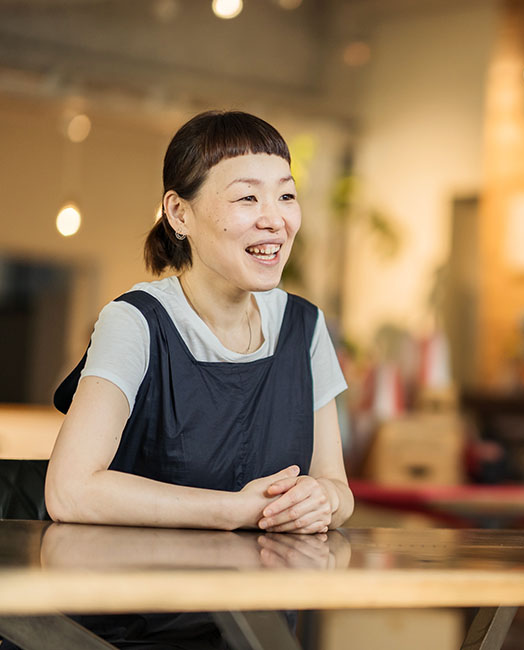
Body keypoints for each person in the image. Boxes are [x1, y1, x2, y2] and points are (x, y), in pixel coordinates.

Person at [37, 110, 353, 649]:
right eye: (247, 198)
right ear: (179, 212)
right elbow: (70, 490)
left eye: (285, 196)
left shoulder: (306, 326)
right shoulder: (136, 321)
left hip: (258, 628)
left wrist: (318, 499)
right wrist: (236, 510)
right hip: (128, 631)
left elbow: (338, 488)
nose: (275, 219)